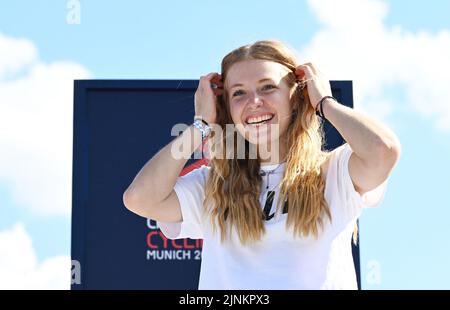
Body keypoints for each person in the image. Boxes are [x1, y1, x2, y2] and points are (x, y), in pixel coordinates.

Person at [123, 40, 401, 290]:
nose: (254, 102)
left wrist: (324, 102)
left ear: (296, 97)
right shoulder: (211, 186)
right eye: (239, 93)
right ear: (226, 108)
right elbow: (139, 198)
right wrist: (202, 124)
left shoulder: (334, 171)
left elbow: (382, 149)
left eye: (268, 87)